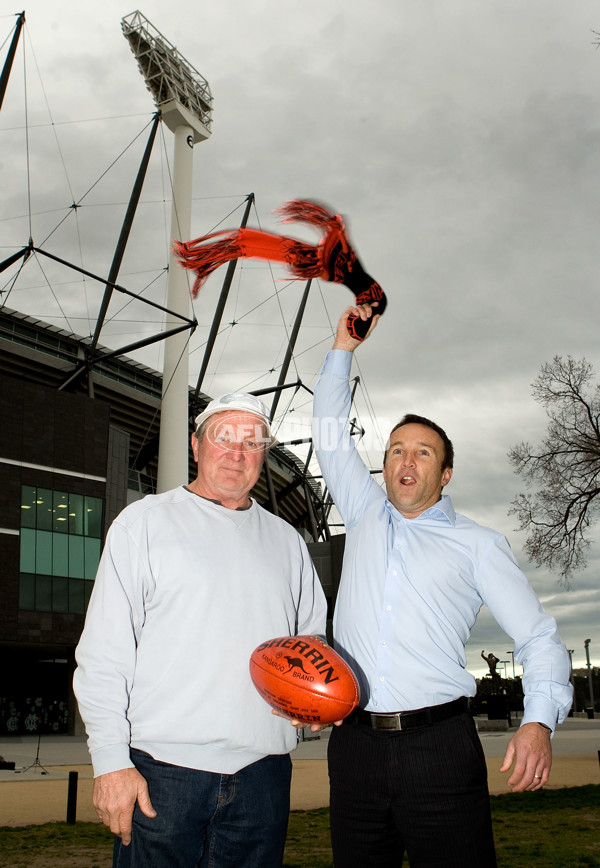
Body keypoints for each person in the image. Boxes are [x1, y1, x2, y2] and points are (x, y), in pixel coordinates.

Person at [311, 305, 573, 868]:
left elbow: (539, 638)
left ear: (445, 473)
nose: (406, 460)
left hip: (440, 749)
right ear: (383, 466)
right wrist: (342, 350)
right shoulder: (362, 514)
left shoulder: (478, 545)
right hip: (353, 748)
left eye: (423, 452)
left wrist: (539, 720)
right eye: (396, 450)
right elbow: (330, 439)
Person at [74, 392, 327, 868]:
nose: (237, 453)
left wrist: (312, 698)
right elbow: (105, 654)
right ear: (195, 445)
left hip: (263, 775)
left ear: (264, 456)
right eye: (224, 437)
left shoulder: (288, 541)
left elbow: (309, 644)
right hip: (161, 774)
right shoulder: (143, 523)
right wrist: (110, 761)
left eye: (252, 443)